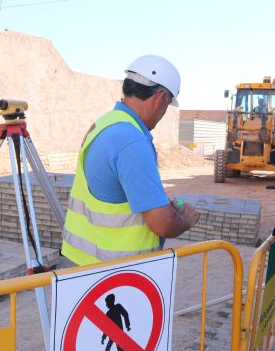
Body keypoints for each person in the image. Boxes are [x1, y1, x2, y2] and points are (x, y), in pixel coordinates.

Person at [61, 54, 200, 266]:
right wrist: (185, 219)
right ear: (160, 98)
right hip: (116, 274)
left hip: (81, 262)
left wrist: (159, 202)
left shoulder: (105, 123)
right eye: (167, 104)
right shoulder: (133, 142)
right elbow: (162, 224)